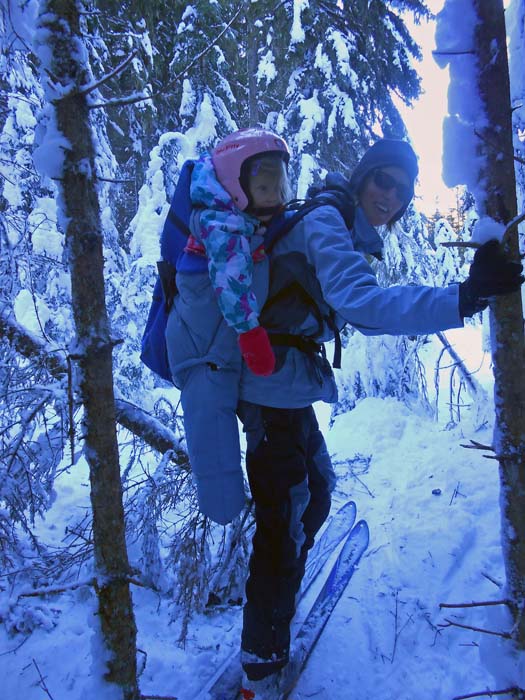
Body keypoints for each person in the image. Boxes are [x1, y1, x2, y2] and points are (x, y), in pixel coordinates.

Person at [235, 138, 524, 695]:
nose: (390, 196)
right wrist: (461, 298)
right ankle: (261, 665)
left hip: (284, 385)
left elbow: (357, 311)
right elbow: (365, 305)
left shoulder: (340, 226)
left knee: (316, 489)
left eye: (403, 189)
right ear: (364, 177)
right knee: (284, 519)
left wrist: (462, 297)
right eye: (383, 181)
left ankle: (281, 589)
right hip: (268, 387)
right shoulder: (326, 219)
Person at [165, 128, 292, 525]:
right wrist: (252, 335)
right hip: (204, 357)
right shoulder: (223, 227)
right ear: (236, 185)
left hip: (218, 352)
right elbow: (230, 282)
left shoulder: (238, 218)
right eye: (265, 185)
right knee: (214, 451)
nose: (274, 196)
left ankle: (263, 513)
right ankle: (227, 515)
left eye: (279, 184)